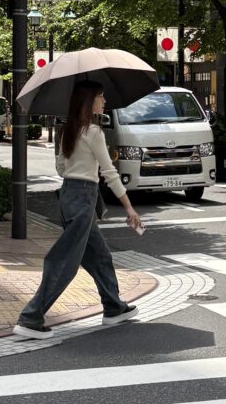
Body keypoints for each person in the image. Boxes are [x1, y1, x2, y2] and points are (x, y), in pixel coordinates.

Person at [13, 81, 142, 340]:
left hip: (69, 196)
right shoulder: (93, 132)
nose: (104, 102)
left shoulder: (68, 131)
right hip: (83, 198)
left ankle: (114, 307)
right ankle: (31, 317)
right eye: (101, 97)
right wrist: (129, 207)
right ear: (89, 101)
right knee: (64, 262)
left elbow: (61, 170)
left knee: (99, 255)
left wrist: (81, 163)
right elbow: (109, 172)